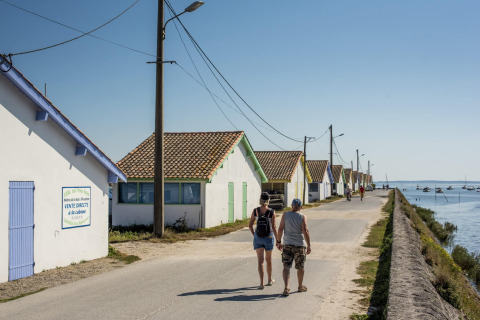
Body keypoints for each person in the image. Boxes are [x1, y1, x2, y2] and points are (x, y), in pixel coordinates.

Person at [276, 199, 311, 297]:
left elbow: (280, 228)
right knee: (300, 266)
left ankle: (286, 288)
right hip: (300, 245)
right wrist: (309, 245)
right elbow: (305, 231)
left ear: (291, 206)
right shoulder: (302, 216)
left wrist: (278, 241)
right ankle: (300, 286)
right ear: (301, 207)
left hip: (287, 244)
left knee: (286, 266)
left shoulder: (285, 215)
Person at [249, 192, 278, 289]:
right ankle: (269, 280)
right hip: (269, 237)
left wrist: (255, 235)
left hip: (258, 237)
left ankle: (261, 283)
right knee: (268, 260)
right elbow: (274, 226)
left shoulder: (255, 211)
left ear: (260, 200)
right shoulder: (272, 212)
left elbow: (250, 225)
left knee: (260, 261)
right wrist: (278, 239)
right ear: (268, 200)